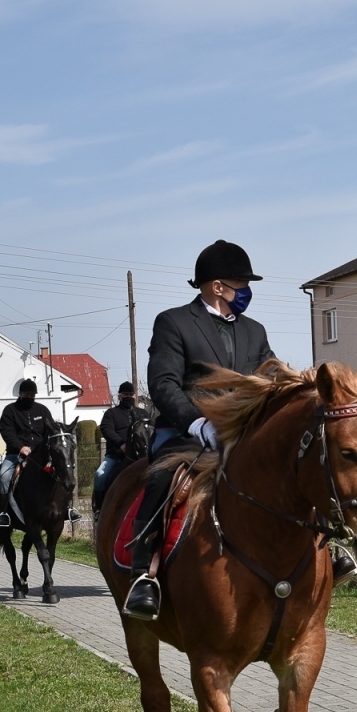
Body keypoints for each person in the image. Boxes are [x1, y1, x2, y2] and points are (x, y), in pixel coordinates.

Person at [122, 239, 278, 620]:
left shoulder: (254, 331)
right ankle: (144, 573)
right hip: (185, 431)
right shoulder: (173, 322)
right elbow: (163, 383)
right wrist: (197, 421)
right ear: (217, 286)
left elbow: (269, 376)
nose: (246, 292)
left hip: (241, 433)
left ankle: (325, 552)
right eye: (241, 285)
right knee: (164, 480)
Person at [0, 378, 60, 526]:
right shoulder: (10, 411)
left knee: (62, 473)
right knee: (4, 478)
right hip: (16, 455)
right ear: (20, 393)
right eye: (27, 394)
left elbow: (51, 429)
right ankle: (3, 513)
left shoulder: (43, 410)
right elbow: (7, 432)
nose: (30, 397)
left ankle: (66, 509)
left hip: (40, 455)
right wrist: (20, 447)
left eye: (32, 395)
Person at [94, 381, 149, 518]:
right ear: (119, 396)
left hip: (140, 457)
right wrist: (121, 444)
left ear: (135, 396)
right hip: (116, 456)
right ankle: (99, 508)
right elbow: (106, 429)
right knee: (100, 474)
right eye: (125, 394)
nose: (128, 397)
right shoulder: (111, 413)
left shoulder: (142, 413)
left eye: (130, 394)